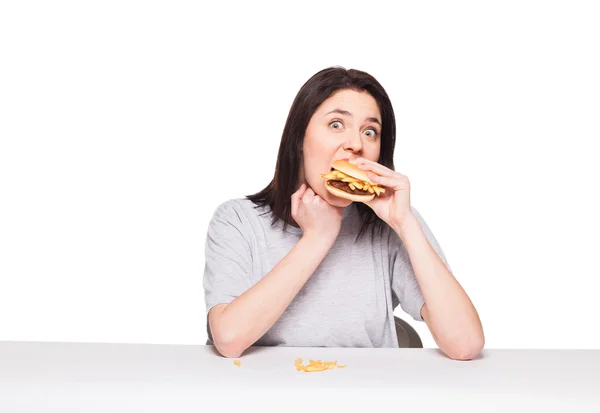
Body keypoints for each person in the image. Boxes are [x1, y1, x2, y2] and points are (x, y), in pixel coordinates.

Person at [202, 66, 484, 360]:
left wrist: (405, 223)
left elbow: (464, 344)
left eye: (370, 131)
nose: (356, 144)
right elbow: (229, 339)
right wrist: (317, 238)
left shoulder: (390, 223)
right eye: (336, 124)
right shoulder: (237, 220)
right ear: (299, 138)